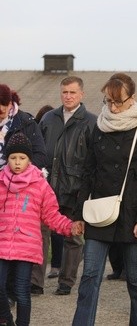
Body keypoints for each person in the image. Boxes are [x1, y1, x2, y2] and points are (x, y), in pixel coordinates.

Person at [72, 73, 137, 326]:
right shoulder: (98, 126)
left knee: (135, 279)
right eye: (108, 101)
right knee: (89, 276)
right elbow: (87, 172)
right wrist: (78, 214)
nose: (113, 107)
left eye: (118, 102)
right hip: (100, 212)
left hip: (132, 216)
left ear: (133, 98)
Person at [0, 132, 83, 326]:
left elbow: (52, 215)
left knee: (22, 291)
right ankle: (7, 321)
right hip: (2, 244)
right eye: (13, 158)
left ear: (29, 160)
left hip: (27, 246)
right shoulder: (1, 183)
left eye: (22, 158)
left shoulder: (40, 185)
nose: (17, 162)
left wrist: (69, 227)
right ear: (7, 159)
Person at [38, 76, 97, 296]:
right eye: (65, 92)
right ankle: (36, 281)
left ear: (81, 94)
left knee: (73, 235)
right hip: (46, 186)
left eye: (72, 92)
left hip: (75, 187)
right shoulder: (48, 118)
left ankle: (66, 281)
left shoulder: (90, 121)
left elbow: (93, 160)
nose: (68, 96)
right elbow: (39, 151)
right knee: (40, 234)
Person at [0, 84, 47, 298]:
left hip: (18, 190)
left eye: (2, 107)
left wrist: (19, 176)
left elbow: (39, 154)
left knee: (13, 243)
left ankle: (11, 293)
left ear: (11, 103)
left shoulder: (26, 122)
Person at [35, 105, 64, 280]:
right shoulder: (49, 123)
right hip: (56, 182)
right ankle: (56, 266)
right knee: (54, 228)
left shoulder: (41, 127)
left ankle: (42, 272)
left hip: (48, 181)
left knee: (46, 229)